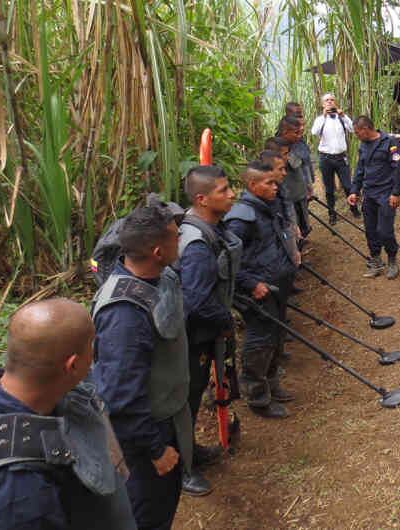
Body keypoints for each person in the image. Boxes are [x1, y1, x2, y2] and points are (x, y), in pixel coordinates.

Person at [0, 298, 135, 530]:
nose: (94, 355)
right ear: (72, 365)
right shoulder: (20, 491)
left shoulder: (8, 396)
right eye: (91, 347)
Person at [91, 204, 191, 530]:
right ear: (158, 251)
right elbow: (121, 394)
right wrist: (156, 449)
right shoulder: (124, 314)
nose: (182, 241)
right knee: (150, 514)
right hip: (146, 436)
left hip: (167, 417)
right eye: (177, 237)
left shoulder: (160, 277)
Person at [174, 165, 240, 497]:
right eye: (223, 190)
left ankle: (190, 451)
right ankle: (181, 470)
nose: (231, 195)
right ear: (201, 199)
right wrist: (225, 323)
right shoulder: (197, 244)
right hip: (186, 340)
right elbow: (197, 301)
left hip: (195, 335)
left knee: (192, 398)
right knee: (183, 403)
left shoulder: (207, 228)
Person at [223, 163, 297, 419]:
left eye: (275, 182)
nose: (275, 186)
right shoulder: (240, 218)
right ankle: (257, 396)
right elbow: (230, 261)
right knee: (260, 340)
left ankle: (272, 381)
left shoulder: (265, 208)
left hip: (276, 285)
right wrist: (251, 284)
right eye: (269, 183)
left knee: (276, 336)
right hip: (258, 290)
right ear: (252, 185)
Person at [348, 116, 400, 280]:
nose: (356, 135)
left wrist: (396, 192)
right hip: (369, 194)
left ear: (366, 129)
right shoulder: (363, 146)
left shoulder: (389, 142)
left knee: (384, 231)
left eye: (357, 132)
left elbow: (399, 169)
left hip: (386, 194)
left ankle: (392, 259)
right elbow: (360, 169)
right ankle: (376, 260)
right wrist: (354, 190)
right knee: (370, 230)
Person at [311, 93, 357, 223]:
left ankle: (353, 208)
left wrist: (343, 115)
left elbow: (353, 129)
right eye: (327, 100)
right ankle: (332, 214)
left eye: (332, 99)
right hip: (326, 159)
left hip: (341, 158)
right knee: (329, 188)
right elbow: (314, 132)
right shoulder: (320, 119)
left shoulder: (341, 118)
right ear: (322, 104)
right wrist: (324, 116)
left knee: (348, 185)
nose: (330, 102)